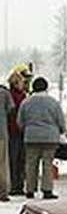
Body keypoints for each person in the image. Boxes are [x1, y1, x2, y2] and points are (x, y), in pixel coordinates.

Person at [16, 77, 65, 199]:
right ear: (46, 87)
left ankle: (30, 190)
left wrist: (26, 129)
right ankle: (47, 190)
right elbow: (61, 121)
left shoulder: (26, 102)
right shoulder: (53, 102)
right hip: (50, 138)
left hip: (31, 137)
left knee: (31, 164)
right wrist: (61, 131)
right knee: (47, 164)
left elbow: (20, 121)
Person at [7, 65, 30, 196]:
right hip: (17, 131)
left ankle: (16, 184)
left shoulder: (13, 95)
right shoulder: (19, 97)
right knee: (18, 159)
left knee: (15, 159)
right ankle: (17, 185)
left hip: (14, 131)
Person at [0, 78, 13, 201]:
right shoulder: (4, 93)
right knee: (2, 164)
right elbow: (11, 109)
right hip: (1, 133)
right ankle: (3, 192)